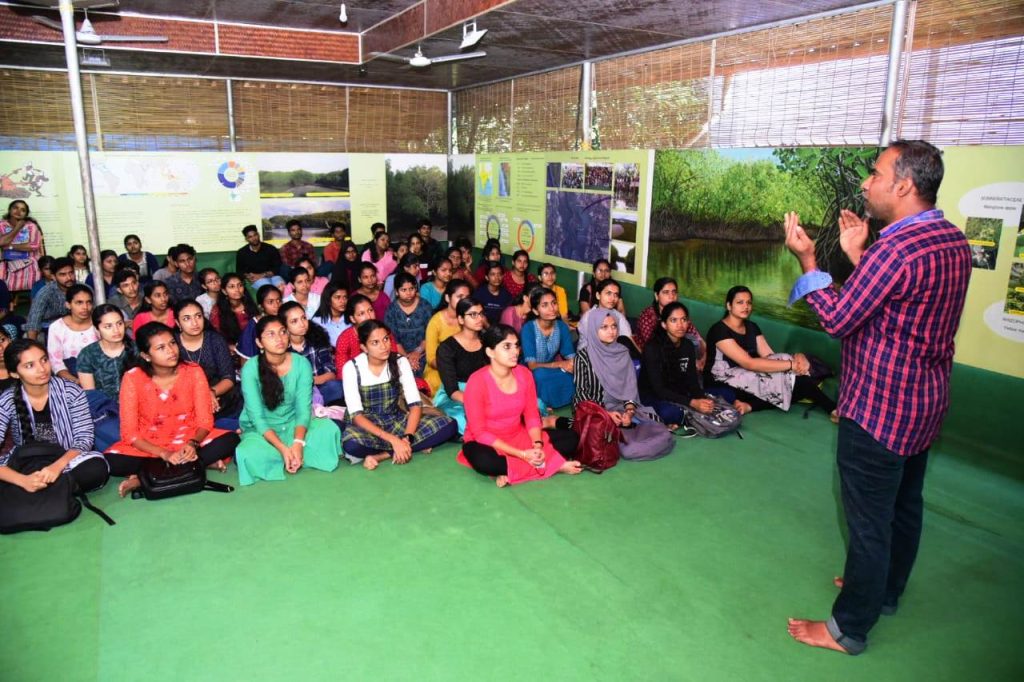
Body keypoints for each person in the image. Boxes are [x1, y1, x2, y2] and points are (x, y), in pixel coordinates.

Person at [783, 141, 972, 655]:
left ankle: (847, 629)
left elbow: (840, 318)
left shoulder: (896, 250)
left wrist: (808, 259)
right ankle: (883, 589)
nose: (866, 182)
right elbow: (897, 306)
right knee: (904, 507)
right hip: (923, 405)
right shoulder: (951, 240)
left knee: (868, 523)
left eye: (876, 173)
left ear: (904, 185)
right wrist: (858, 256)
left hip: (879, 411)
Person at [105, 322, 240, 497]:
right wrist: (165, 453)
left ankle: (145, 476)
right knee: (112, 461)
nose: (171, 351)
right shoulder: (132, 378)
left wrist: (192, 444)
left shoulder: (193, 371)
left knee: (230, 440)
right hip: (150, 444)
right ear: (146, 356)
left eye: (172, 343)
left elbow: (205, 420)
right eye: (161, 348)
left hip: (189, 437)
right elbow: (129, 433)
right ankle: (196, 465)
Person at [459, 324, 582, 487]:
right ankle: (554, 466)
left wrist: (537, 445)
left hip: (518, 435)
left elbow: (531, 416)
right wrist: (523, 454)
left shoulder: (524, 374)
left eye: (516, 345)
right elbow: (480, 433)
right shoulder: (476, 382)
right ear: (490, 352)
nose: (515, 351)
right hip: (486, 442)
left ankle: (513, 470)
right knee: (484, 461)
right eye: (507, 347)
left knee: (572, 438)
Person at [235, 316, 341, 484]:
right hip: (262, 430)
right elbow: (257, 418)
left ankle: (289, 455)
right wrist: (283, 448)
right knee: (247, 453)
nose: (279, 338)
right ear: (259, 343)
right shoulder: (250, 368)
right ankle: (287, 454)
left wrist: (298, 442)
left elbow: (303, 409)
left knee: (328, 430)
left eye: (283, 332)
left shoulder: (301, 364)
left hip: (294, 423)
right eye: (270, 334)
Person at [0, 338, 110, 499]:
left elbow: (84, 439)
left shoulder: (71, 391)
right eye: (30, 365)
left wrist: (56, 468)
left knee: (95, 469)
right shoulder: (6, 400)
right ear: (14, 374)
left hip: (66, 459)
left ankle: (36, 494)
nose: (42, 369)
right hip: (27, 464)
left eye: (44, 360)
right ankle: (51, 491)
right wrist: (23, 481)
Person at [340, 320, 457, 470]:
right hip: (368, 425)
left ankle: (382, 455)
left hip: (396, 420)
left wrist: (407, 437)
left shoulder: (400, 362)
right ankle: (410, 446)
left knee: (449, 425)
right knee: (351, 444)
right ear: (364, 347)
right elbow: (357, 417)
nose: (384, 346)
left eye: (386, 339)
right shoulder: (351, 368)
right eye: (375, 342)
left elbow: (415, 405)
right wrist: (393, 440)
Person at [704, 286, 835, 416]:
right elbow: (748, 363)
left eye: (749, 302)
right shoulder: (719, 330)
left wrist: (797, 358)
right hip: (722, 379)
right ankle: (752, 405)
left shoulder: (752, 327)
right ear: (729, 305)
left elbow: (769, 356)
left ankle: (834, 411)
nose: (746, 306)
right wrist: (791, 365)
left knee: (799, 381)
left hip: (748, 374)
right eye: (740, 302)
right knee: (787, 384)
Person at [573, 309, 673, 457]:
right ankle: (630, 440)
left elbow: (630, 389)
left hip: (621, 408)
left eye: (614, 326)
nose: (611, 331)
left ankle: (633, 436)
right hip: (595, 411)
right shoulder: (583, 357)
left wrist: (629, 411)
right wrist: (606, 414)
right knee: (619, 443)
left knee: (658, 427)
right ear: (594, 329)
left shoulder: (622, 352)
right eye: (604, 327)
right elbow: (582, 394)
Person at [640, 301, 722, 428]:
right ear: (664, 324)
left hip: (680, 393)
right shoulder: (652, 348)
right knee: (669, 413)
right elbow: (659, 390)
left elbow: (692, 381)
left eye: (683, 320)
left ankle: (687, 414)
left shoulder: (687, 345)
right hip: (654, 396)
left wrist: (701, 399)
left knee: (725, 395)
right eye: (674, 320)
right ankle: (684, 414)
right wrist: (693, 403)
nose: (680, 325)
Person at [173, 299, 241, 426]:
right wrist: (200, 395)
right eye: (187, 318)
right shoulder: (172, 344)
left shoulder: (215, 340)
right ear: (178, 323)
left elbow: (229, 377)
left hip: (218, 394)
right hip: (184, 398)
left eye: (198, 316)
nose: (194, 323)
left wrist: (210, 392)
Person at [76, 304, 134, 451]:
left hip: (136, 410)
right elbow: (92, 397)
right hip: (106, 413)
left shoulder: (136, 350)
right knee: (116, 442)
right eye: (108, 326)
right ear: (97, 329)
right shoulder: (88, 354)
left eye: (119, 324)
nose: (116, 330)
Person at [433, 297, 489, 433]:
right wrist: (478, 402)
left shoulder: (488, 342)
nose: (479, 318)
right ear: (461, 319)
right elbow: (452, 390)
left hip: (486, 391)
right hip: (456, 396)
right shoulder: (447, 348)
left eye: (481, 314)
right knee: (462, 416)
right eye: (473, 314)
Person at [520, 286, 576, 409]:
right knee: (539, 375)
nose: (552, 308)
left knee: (572, 374)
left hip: (551, 368)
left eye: (554, 303)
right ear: (536, 311)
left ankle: (567, 401)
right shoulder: (528, 329)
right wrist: (560, 364)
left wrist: (572, 365)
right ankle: (543, 404)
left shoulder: (561, 326)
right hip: (531, 371)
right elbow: (532, 366)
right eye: (545, 305)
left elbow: (570, 356)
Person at [279, 300, 344, 405]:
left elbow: (331, 374)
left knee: (337, 386)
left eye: (303, 318)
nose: (302, 324)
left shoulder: (318, 338)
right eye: (294, 321)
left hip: (323, 389)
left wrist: (309, 380)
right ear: (284, 326)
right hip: (297, 395)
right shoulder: (282, 349)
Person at [635, 277, 706, 365]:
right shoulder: (647, 316)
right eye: (666, 292)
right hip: (654, 359)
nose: (671, 296)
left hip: (680, 356)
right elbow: (655, 349)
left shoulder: (680, 314)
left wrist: (704, 359)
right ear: (656, 296)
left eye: (674, 292)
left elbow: (698, 338)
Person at [424, 279, 471, 395]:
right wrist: (453, 370)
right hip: (440, 375)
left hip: (466, 375)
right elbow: (431, 359)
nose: (464, 301)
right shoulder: (435, 322)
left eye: (467, 297)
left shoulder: (470, 319)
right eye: (460, 297)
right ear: (447, 298)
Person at [46, 284, 98, 383]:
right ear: (68, 305)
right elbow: (56, 363)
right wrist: (75, 381)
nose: (85, 307)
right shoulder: (57, 327)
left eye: (89, 302)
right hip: (70, 379)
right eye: (79, 303)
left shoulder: (99, 324)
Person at [383, 272, 432, 376]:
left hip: (423, 352)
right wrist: (407, 358)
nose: (408, 293)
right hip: (399, 353)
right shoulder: (391, 311)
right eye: (404, 290)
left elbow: (429, 334)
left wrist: (417, 352)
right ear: (396, 292)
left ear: (416, 289)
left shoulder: (425, 307)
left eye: (411, 289)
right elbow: (393, 340)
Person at [334, 293, 397, 371]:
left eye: (370, 310)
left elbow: (394, 359)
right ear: (352, 319)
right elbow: (341, 370)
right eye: (361, 314)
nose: (369, 317)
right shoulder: (345, 339)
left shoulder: (383, 331)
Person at [25, 256, 75, 340]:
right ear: (53, 277)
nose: (69, 278)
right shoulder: (45, 292)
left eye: (71, 273)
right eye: (63, 274)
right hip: (49, 328)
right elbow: (34, 321)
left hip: (77, 326)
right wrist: (32, 345)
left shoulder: (83, 289)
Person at [0, 199, 44, 293]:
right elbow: (1, 242)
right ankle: (8, 298)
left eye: (23, 210)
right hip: (8, 261)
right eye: (15, 208)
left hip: (29, 262)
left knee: (33, 266)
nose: (18, 211)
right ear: (10, 210)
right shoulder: (2, 225)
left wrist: (10, 246)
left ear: (26, 214)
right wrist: (17, 228)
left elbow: (33, 245)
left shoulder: (31, 226)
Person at [578, 278, 633, 348]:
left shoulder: (619, 316)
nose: (613, 298)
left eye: (616, 295)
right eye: (608, 293)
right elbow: (591, 346)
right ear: (598, 295)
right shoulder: (588, 317)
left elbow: (628, 339)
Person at [210, 272, 258, 350]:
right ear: (224, 291)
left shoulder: (249, 304)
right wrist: (231, 347)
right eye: (232, 286)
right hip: (231, 348)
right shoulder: (218, 310)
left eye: (240, 285)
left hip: (253, 345)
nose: (237, 289)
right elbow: (215, 336)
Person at [237, 284, 283, 363]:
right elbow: (245, 358)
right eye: (270, 302)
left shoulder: (285, 319)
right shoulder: (254, 325)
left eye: (278, 300)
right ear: (261, 306)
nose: (276, 305)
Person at [236, 224, 284, 289]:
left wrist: (262, 275)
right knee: (268, 289)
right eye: (250, 237)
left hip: (274, 277)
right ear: (246, 239)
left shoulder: (271, 249)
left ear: (258, 235)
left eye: (255, 235)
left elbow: (278, 267)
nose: (254, 238)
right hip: (257, 280)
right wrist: (248, 276)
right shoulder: (241, 253)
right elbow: (239, 271)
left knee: (283, 288)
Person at [311, 283, 350, 347]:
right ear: (328, 300)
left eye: (345, 297)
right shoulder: (317, 322)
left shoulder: (351, 317)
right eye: (338, 297)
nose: (343, 301)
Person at [474, 261, 512, 325]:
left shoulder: (507, 296)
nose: (497, 277)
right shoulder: (479, 294)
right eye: (493, 274)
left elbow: (507, 317)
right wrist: (489, 328)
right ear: (487, 277)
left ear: (503, 276)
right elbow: (476, 315)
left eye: (499, 274)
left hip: (499, 328)